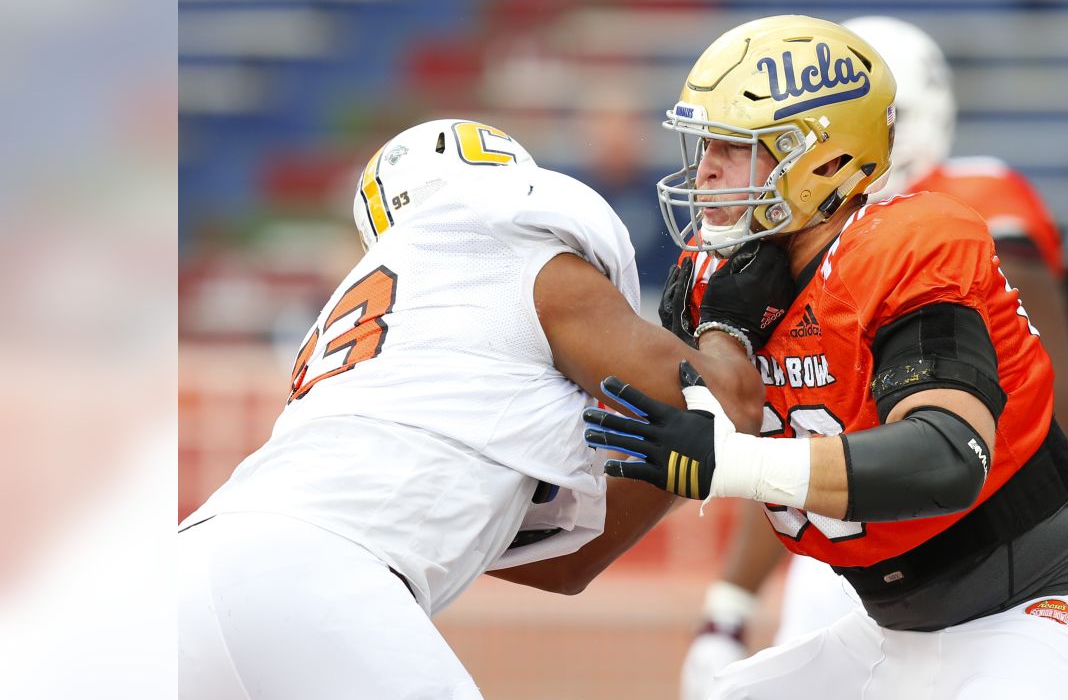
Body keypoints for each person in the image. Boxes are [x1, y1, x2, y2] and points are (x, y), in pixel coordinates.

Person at [176, 118, 796, 699]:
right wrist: (727, 324)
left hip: (191, 570)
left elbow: (565, 563)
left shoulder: (364, 324)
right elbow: (721, 401)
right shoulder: (508, 246)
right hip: (318, 579)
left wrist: (679, 454)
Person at [587, 15, 1068, 698]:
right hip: (891, 625)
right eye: (704, 140)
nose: (704, 165)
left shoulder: (910, 245)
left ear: (822, 162)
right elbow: (681, 446)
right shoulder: (725, 281)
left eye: (733, 145)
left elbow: (947, 456)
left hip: (1037, 605)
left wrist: (731, 461)